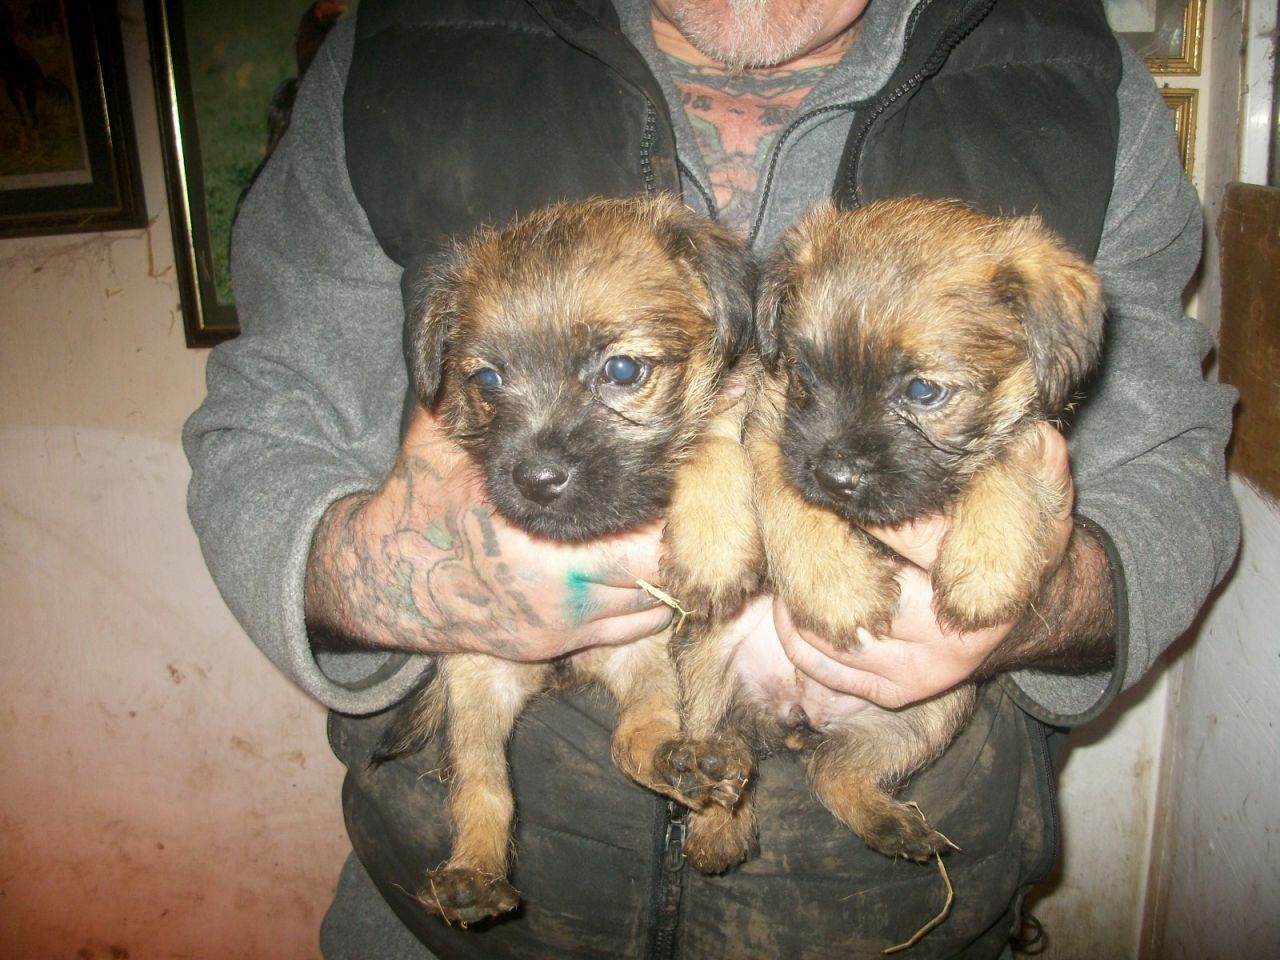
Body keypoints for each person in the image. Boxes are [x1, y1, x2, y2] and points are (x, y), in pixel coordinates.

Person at [183, 0, 1240, 957]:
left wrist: (1038, 603)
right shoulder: (401, 43)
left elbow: (1175, 471)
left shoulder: (1070, 68)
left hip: (898, 924)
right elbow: (258, 426)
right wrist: (384, 573)